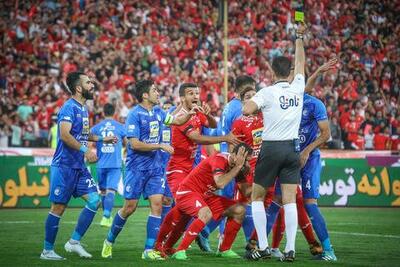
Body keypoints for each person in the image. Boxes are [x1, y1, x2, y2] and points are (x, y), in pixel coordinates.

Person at [101, 79, 196, 260]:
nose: (158, 93)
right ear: (145, 95)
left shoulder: (159, 112)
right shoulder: (134, 115)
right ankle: (109, 240)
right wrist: (159, 145)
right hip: (136, 169)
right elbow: (134, 144)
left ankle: (147, 250)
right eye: (154, 90)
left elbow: (176, 120)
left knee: (157, 205)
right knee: (130, 208)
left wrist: (190, 113)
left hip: (155, 168)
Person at [242, 23, 307, 262]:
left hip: (270, 148)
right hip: (292, 148)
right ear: (289, 73)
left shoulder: (266, 92)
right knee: (289, 200)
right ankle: (290, 250)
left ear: (272, 73)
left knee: (257, 197)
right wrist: (299, 37)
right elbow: (300, 64)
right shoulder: (298, 88)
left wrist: (250, 106)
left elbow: (247, 109)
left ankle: (263, 245)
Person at [40, 71, 117, 260]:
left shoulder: (83, 109)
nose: (93, 85)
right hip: (64, 166)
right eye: (88, 82)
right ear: (78, 88)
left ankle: (73, 242)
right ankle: (47, 250)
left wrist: (103, 139)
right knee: (58, 207)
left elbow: (83, 133)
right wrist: (86, 151)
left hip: (78, 167)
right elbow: (65, 135)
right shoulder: (68, 107)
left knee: (94, 200)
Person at [158, 82, 241, 254]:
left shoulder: (196, 113)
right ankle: (159, 245)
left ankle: (167, 247)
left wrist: (208, 115)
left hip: (191, 168)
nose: (195, 96)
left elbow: (211, 126)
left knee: (185, 212)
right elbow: (196, 138)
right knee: (181, 208)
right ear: (182, 98)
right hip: (177, 170)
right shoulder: (182, 115)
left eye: (197, 93)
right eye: (190, 93)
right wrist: (224, 138)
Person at [156, 143, 253, 260]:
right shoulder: (220, 159)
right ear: (233, 154)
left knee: (239, 210)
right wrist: (238, 167)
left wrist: (262, 181)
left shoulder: (239, 166)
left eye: (247, 160)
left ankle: (224, 249)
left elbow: (246, 192)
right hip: (188, 192)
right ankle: (180, 250)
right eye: (243, 159)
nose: (245, 163)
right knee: (204, 213)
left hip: (205, 196)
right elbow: (220, 183)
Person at [90, 103, 127, 227]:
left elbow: (87, 139)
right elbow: (128, 144)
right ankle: (106, 216)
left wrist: (88, 153)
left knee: (103, 191)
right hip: (115, 163)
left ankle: (106, 216)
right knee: (111, 190)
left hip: (101, 164)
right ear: (114, 111)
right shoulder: (120, 127)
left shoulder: (96, 128)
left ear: (103, 112)